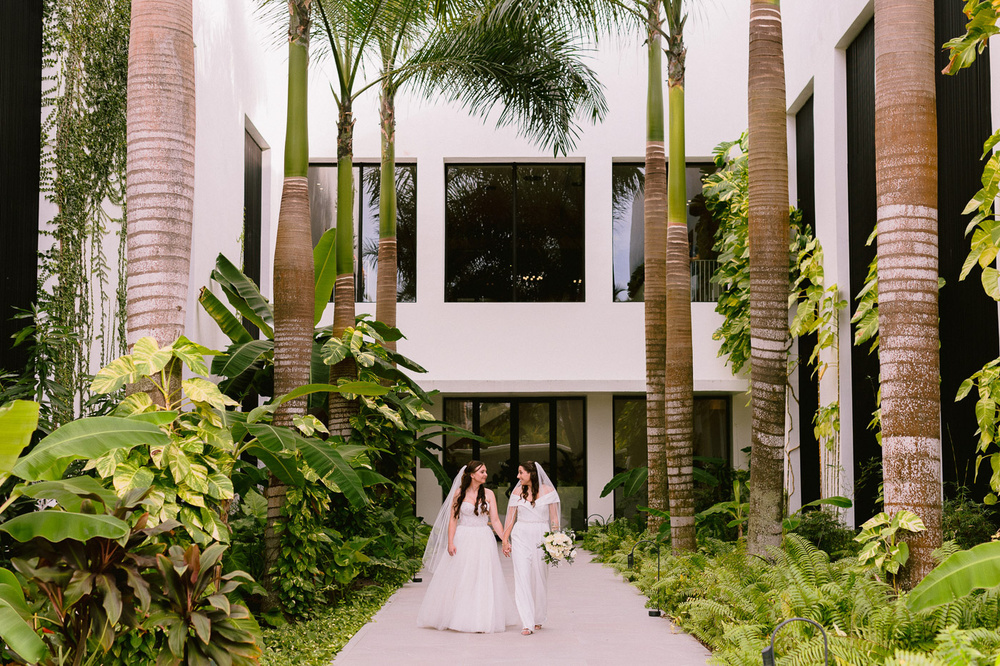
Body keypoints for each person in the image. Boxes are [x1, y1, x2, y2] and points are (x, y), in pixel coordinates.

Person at [417, 461, 517, 633]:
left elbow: (494, 521)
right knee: (462, 576)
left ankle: (481, 617)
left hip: (483, 538)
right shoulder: (458, 494)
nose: (485, 474)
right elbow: (453, 519)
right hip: (463, 537)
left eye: (486, 471)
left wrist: (505, 540)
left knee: (483, 576)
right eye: (482, 472)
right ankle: (456, 615)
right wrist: (450, 542)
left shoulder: (489, 494)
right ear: (472, 475)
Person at [501, 460, 561, 636]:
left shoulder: (549, 492)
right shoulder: (517, 492)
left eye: (521, 473)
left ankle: (538, 617)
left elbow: (554, 520)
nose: (518, 476)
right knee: (522, 577)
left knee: (540, 577)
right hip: (521, 535)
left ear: (531, 474)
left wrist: (556, 541)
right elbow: (510, 519)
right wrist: (505, 540)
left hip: (541, 534)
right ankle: (526, 622)